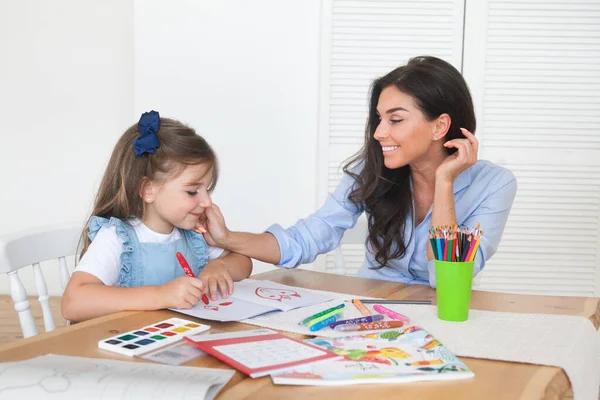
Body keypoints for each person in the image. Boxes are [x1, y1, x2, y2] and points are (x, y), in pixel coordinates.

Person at [195, 56, 517, 287]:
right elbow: (307, 238)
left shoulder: (495, 185)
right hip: (372, 315)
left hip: (442, 317)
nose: (379, 133)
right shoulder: (373, 168)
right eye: (379, 119)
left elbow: (446, 282)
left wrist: (444, 182)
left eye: (396, 119)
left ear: (440, 126)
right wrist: (227, 238)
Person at [62, 111, 252, 322]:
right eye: (192, 191)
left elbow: (244, 262)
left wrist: (218, 267)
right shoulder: (119, 238)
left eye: (207, 189)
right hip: (130, 345)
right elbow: (73, 302)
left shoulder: (193, 234)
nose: (207, 202)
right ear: (148, 190)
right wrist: (161, 295)